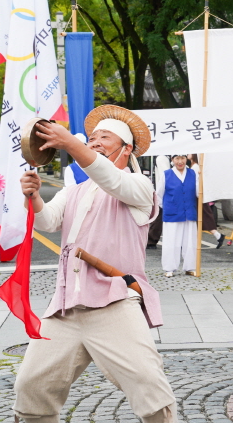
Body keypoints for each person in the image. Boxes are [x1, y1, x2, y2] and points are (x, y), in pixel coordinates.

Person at [13, 105, 176, 423]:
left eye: (105, 136)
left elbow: (110, 179)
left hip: (115, 302)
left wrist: (70, 143)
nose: (95, 141)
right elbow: (46, 221)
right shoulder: (73, 190)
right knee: (31, 387)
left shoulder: (140, 187)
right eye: (90, 138)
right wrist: (32, 197)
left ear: (127, 149)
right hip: (65, 305)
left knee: (149, 387)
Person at [156, 155, 199, 277]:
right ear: (172, 160)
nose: (180, 162)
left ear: (186, 159)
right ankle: (169, 268)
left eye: (182, 158)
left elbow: (198, 192)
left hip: (189, 212)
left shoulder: (193, 173)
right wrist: (169, 207)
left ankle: (190, 267)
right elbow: (159, 194)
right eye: (177, 159)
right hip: (172, 212)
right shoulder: (167, 174)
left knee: (190, 242)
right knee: (171, 241)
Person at [187, 154, 224, 247]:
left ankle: (218, 235)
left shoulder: (195, 167)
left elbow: (195, 182)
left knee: (203, 217)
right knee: (202, 218)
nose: (187, 154)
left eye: (190, 153)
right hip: (197, 195)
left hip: (197, 195)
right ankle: (218, 236)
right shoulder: (194, 166)